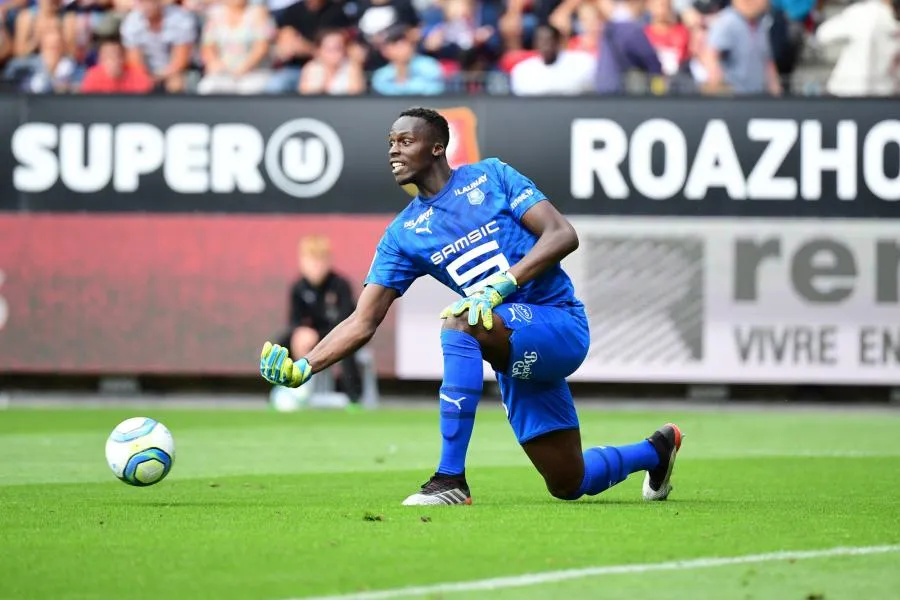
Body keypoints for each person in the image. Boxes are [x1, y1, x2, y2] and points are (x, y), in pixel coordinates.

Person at [260, 107, 683, 506]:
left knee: (459, 319)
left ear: (437, 147)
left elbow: (561, 234)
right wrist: (305, 367)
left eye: (405, 140)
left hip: (558, 323)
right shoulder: (402, 233)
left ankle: (450, 479)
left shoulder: (492, 176)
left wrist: (502, 285)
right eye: (390, 142)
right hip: (508, 345)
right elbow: (363, 319)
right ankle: (656, 450)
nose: (393, 150)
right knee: (568, 482)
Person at [276, 235, 363, 405]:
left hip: (338, 333)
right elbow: (294, 321)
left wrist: (317, 335)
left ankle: (354, 397)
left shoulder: (340, 285)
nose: (316, 266)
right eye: (311, 260)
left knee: (346, 345)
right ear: (302, 262)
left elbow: (348, 321)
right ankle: (284, 388)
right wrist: (302, 333)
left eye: (320, 260)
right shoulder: (298, 287)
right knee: (282, 343)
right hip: (306, 338)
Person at [509, 23, 594, 95]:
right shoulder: (522, 71)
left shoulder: (582, 63)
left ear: (558, 42)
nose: (545, 45)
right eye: (541, 41)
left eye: (549, 40)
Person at [79, 32, 153, 93]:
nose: (113, 60)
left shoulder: (137, 76)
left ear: (123, 58)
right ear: (100, 60)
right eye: (107, 56)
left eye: (117, 55)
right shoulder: (92, 77)